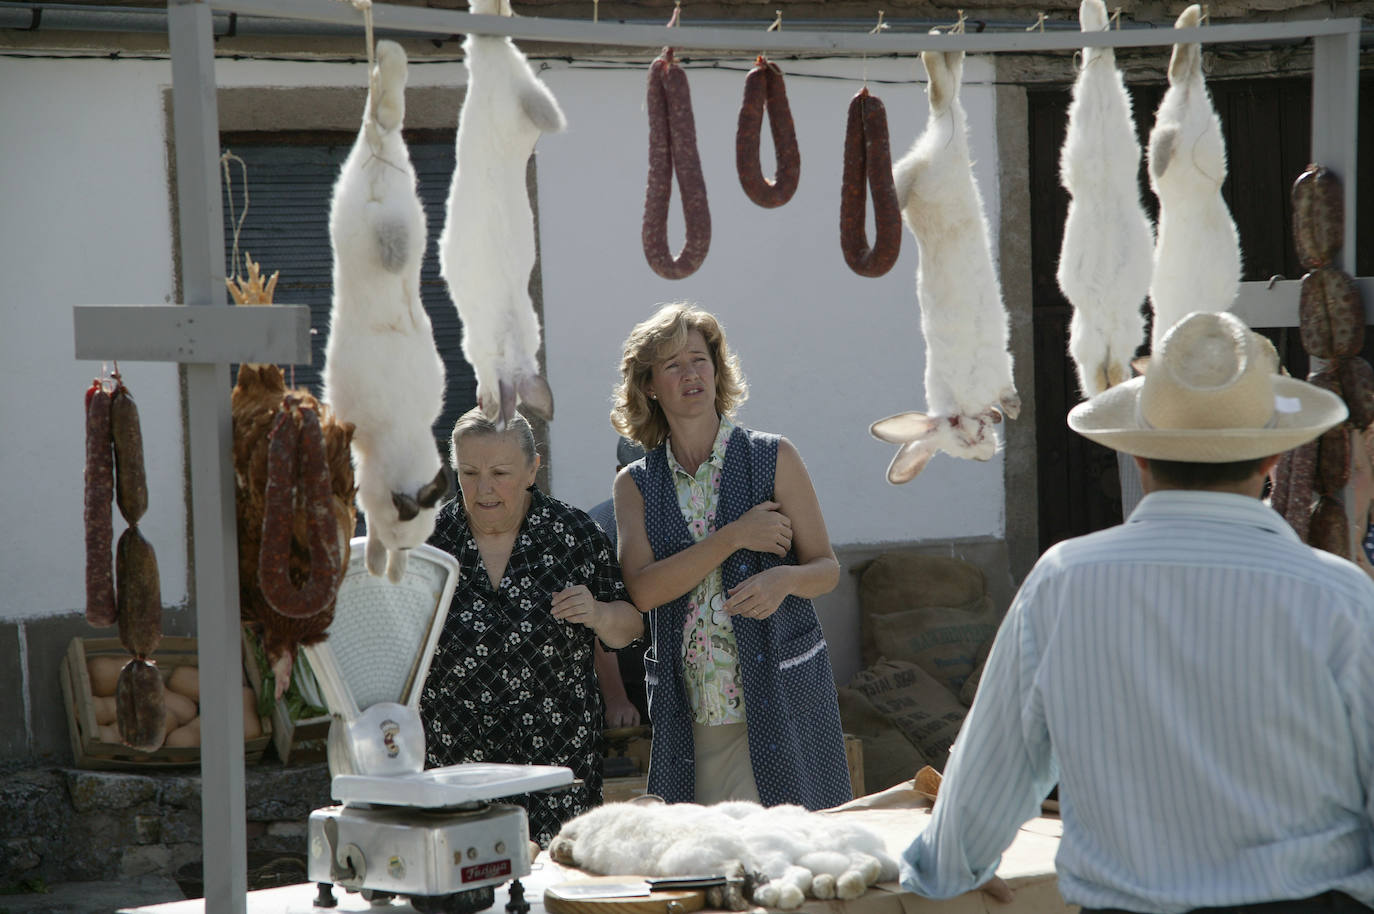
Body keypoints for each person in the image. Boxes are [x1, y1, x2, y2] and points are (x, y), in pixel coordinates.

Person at [901, 311, 1374, 913]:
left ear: (1139, 457)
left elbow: (989, 778)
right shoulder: (1339, 597)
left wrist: (934, 871)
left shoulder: (1064, 583)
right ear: (1272, 462)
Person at [611, 302, 852, 810]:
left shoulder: (775, 456)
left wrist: (781, 581)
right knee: (706, 861)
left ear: (717, 370)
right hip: (691, 711)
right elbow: (644, 589)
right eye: (672, 365)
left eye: (699, 359)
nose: (690, 374)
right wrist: (734, 536)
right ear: (650, 386)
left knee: (787, 856)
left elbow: (826, 569)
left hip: (782, 698)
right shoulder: (634, 485)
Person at [419, 407, 643, 847]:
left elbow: (629, 629)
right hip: (456, 767)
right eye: (468, 472)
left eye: (500, 472)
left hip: (556, 766)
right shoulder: (431, 542)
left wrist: (597, 614)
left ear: (532, 468)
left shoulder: (575, 534)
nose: (484, 488)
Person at [587, 436, 650, 728]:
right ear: (619, 474)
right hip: (622, 673)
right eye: (642, 474)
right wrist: (616, 700)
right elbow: (592, 621)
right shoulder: (596, 529)